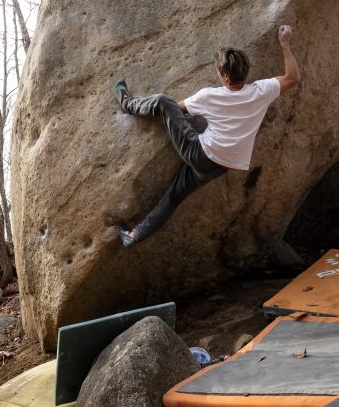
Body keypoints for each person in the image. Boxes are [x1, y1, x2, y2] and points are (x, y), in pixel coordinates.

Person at [114, 25, 301, 248]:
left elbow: (175, 108)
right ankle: (134, 236)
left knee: (163, 101)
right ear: (246, 71)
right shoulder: (262, 92)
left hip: (200, 153)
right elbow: (292, 78)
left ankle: (128, 104)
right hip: (223, 165)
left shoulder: (209, 96)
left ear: (224, 76)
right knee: (173, 197)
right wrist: (285, 44)